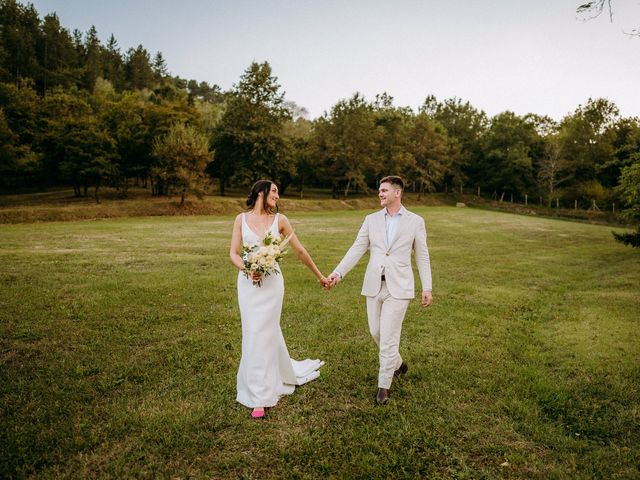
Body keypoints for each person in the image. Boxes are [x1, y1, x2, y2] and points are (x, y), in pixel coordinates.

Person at [326, 176, 432, 405]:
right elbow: (357, 249)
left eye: (384, 191)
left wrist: (427, 287)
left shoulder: (415, 221)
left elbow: (422, 255)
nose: (380, 194)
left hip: (399, 287)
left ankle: (384, 386)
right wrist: (338, 273)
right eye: (379, 191)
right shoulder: (370, 220)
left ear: (397, 193)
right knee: (376, 332)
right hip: (374, 285)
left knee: (389, 338)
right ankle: (399, 364)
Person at [230, 180, 327, 419]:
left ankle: (260, 397)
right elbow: (232, 252)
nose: (277, 195)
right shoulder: (240, 219)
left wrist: (320, 276)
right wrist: (247, 268)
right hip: (248, 284)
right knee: (253, 332)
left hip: (272, 286)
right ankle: (265, 379)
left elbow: (300, 250)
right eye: (273, 191)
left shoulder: (280, 220)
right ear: (260, 192)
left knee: (266, 330)